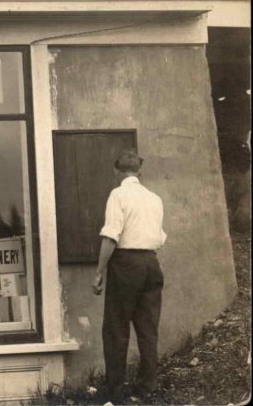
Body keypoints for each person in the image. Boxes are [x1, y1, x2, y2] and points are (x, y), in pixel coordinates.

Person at [92, 150, 167, 401]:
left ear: (117, 171)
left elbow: (111, 235)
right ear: (139, 171)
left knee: (115, 327)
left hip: (126, 264)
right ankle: (148, 386)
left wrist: (99, 272)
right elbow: (161, 237)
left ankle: (115, 392)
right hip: (151, 263)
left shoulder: (118, 194)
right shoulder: (154, 198)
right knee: (147, 328)